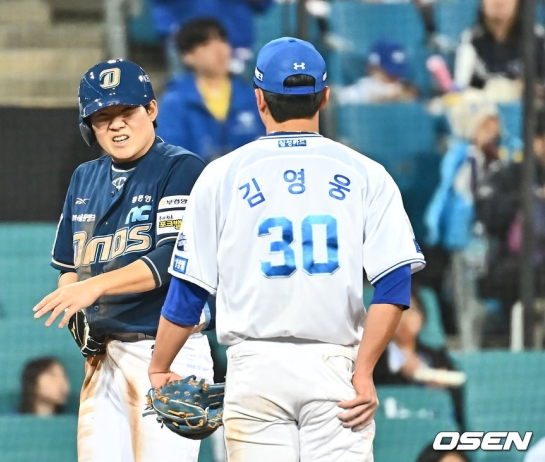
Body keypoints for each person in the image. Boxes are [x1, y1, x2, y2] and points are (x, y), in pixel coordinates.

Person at [148, 37, 426, 461]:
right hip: (335, 367)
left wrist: (160, 365)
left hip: (254, 369)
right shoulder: (368, 174)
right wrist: (365, 371)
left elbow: (188, 292)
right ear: (325, 97)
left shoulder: (220, 176)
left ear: (259, 99)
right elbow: (394, 286)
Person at [33, 59, 214, 462]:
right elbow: (68, 266)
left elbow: (173, 256)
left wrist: (92, 288)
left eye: (127, 112)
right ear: (89, 126)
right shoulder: (84, 177)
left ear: (151, 110)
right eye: (103, 116)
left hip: (167, 352)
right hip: (104, 357)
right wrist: (76, 310)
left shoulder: (181, 167)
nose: (116, 125)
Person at [424, 90, 503, 351]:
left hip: (489, 238)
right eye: (486, 125)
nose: (494, 130)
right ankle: (470, 347)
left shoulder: (497, 155)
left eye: (495, 123)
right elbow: (462, 197)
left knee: (483, 294)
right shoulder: (462, 157)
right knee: (465, 295)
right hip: (465, 240)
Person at [157, 18, 264, 163]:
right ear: (188, 56)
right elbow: (170, 160)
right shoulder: (174, 103)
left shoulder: (253, 96)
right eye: (206, 44)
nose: (219, 50)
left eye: (222, 41)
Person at [476, 108, 545, 317]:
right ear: (536, 141)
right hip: (516, 264)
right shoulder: (511, 175)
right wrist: (530, 198)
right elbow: (487, 215)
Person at [374, 287, 464, 427]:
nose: (404, 318)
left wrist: (442, 391)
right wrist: (405, 375)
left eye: (410, 310)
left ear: (422, 317)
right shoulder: (373, 361)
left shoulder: (438, 357)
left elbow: (459, 404)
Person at [454, 0, 545, 100]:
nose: (499, 2)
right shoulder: (470, 40)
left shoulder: (538, 38)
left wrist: (528, 89)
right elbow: (460, 88)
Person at [152, 0, 273, 74]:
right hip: (184, 34)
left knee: (238, 100)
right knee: (184, 97)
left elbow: (263, 5)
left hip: (234, 41)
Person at [338, 39, 418, 104]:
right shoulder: (364, 87)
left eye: (398, 73)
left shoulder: (405, 87)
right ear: (373, 67)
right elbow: (343, 98)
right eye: (388, 73)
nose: (394, 77)